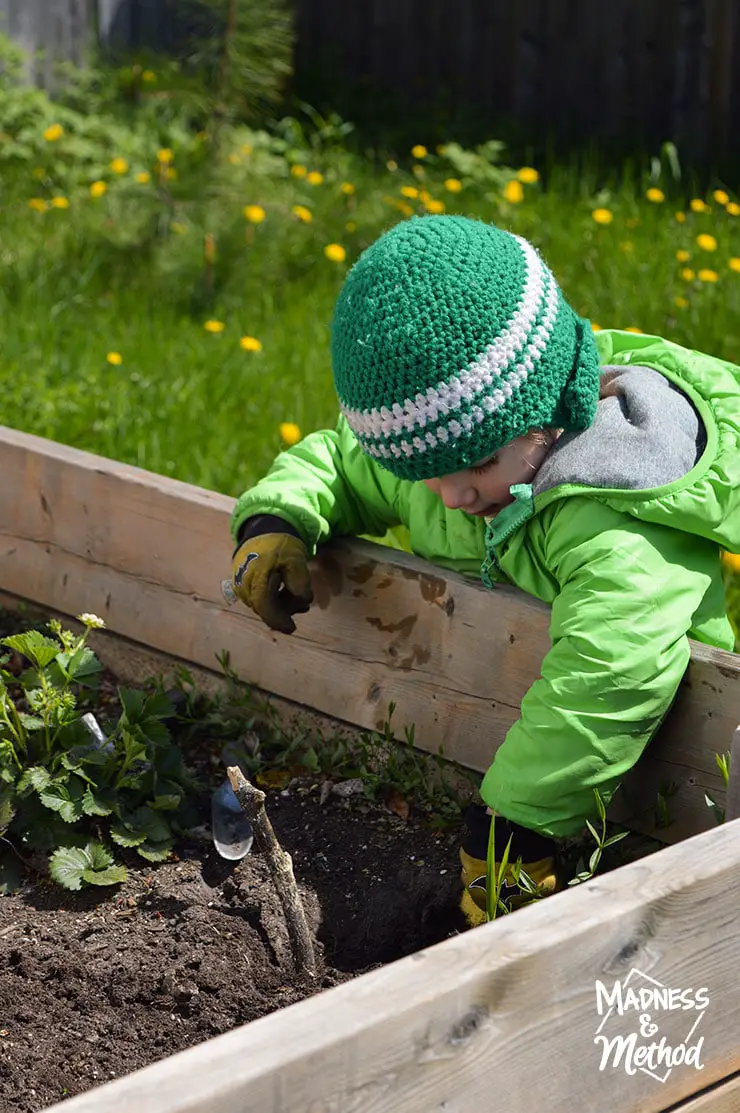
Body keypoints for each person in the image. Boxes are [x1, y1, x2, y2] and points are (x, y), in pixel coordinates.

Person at [226, 215, 740, 926]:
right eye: (424, 474)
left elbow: (614, 668)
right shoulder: (454, 453)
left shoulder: (610, 507)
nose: (452, 495)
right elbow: (344, 461)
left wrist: (516, 826)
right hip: (544, 749)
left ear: (547, 408)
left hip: (662, 792)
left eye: (475, 466)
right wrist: (278, 519)